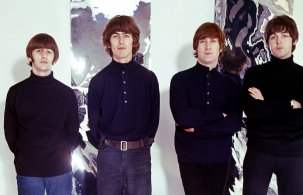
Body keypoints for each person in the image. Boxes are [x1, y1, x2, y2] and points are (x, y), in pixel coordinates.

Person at [241, 15, 303, 195]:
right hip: (259, 151)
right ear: (268, 42)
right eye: (273, 36)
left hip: (293, 155)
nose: (279, 41)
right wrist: (291, 104)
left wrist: (265, 105)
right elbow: (252, 111)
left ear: (294, 40)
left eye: (285, 36)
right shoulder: (254, 74)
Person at [87, 15, 160, 195]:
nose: (121, 41)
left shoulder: (148, 78)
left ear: (134, 40)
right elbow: (94, 122)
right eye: (115, 35)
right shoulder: (98, 81)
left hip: (140, 154)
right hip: (109, 154)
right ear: (108, 41)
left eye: (126, 35)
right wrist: (108, 146)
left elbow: (154, 118)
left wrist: (142, 144)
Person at [4, 33, 84, 195]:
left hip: (60, 171)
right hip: (28, 171)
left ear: (54, 57)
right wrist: (23, 154)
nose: (44, 55)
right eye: (39, 51)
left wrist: (62, 155)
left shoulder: (66, 93)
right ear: (30, 56)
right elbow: (10, 132)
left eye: (49, 52)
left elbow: (72, 131)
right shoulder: (16, 93)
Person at [169, 22, 242, 195]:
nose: (208, 46)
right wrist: (219, 115)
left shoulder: (231, 84)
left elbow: (234, 123)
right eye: (203, 41)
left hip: (220, 157)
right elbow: (183, 117)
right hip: (190, 157)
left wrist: (196, 129)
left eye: (213, 41)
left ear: (221, 47)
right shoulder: (180, 80)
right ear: (196, 46)